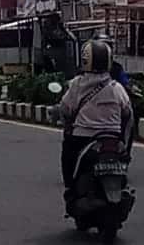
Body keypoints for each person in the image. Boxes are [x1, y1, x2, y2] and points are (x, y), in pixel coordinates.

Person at [50, 39, 134, 206]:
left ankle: (70, 188)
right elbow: (128, 113)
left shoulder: (77, 85)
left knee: (68, 153)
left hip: (83, 138)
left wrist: (66, 123)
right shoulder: (116, 87)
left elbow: (66, 109)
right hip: (112, 138)